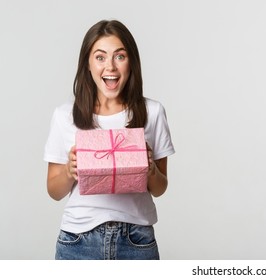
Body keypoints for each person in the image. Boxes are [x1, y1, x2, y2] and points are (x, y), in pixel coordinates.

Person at [44, 19, 175, 260]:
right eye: (100, 57)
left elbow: (160, 188)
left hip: (137, 240)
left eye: (120, 56)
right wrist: (69, 170)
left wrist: (150, 169)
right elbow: (53, 190)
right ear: (88, 64)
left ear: (131, 62)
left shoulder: (153, 112)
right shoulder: (65, 115)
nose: (110, 67)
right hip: (78, 240)